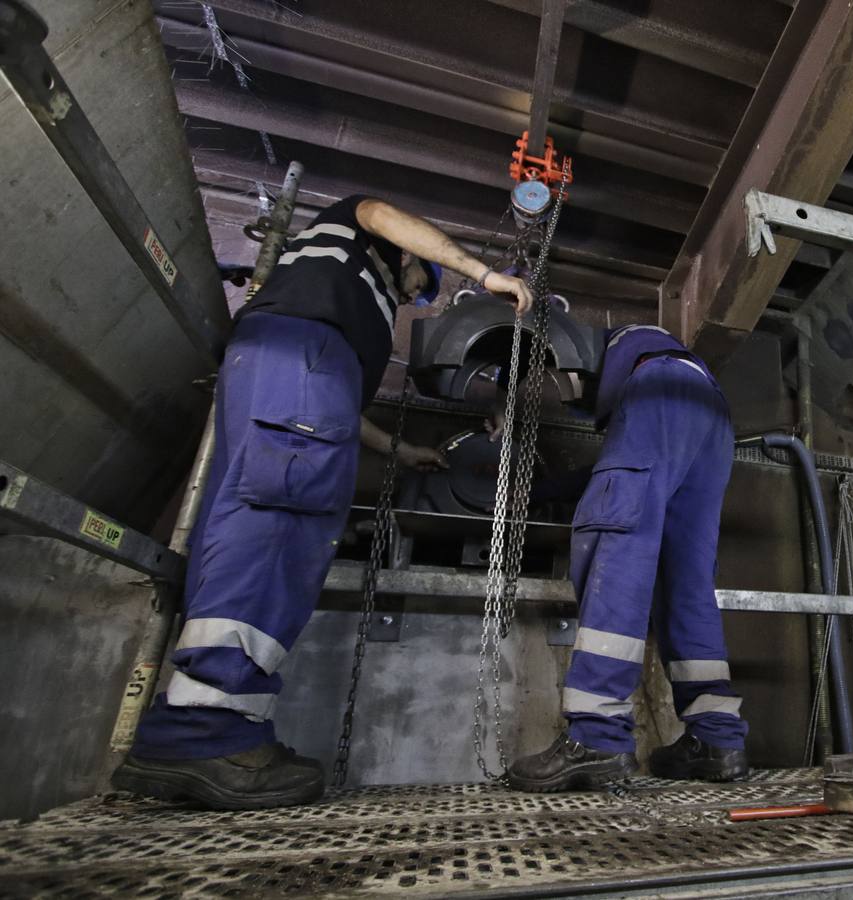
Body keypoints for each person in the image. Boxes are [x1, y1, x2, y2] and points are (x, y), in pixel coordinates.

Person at [112, 195, 532, 810]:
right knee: (280, 523)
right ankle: (204, 733)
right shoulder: (357, 241)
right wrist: (485, 274)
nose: (416, 296)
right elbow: (385, 211)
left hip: (285, 370)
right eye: (419, 285)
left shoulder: (321, 306)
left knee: (248, 516)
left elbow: (330, 411)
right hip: (305, 357)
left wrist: (402, 451)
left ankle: (206, 724)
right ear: (409, 254)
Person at [507, 324, 749, 792]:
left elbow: (618, 473)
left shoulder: (604, 352)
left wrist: (505, 405)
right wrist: (538, 492)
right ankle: (717, 739)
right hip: (713, 414)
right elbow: (620, 466)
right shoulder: (653, 367)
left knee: (616, 550)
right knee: (687, 582)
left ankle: (597, 734)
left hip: (664, 390)